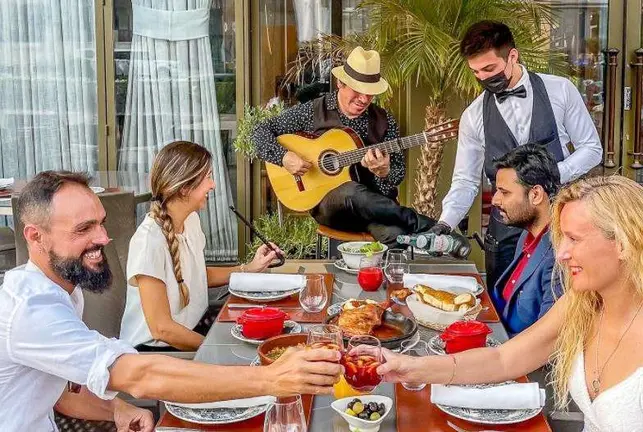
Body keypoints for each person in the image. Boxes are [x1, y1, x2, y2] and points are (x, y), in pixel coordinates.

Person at [0, 171, 342, 432]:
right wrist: (272, 379)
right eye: (84, 229)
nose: (104, 238)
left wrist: (116, 409)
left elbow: (60, 390)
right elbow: (138, 375)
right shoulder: (31, 309)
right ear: (35, 236)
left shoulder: (63, 289)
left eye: (101, 224)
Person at [376, 175, 643, 432]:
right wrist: (409, 368)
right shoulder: (582, 304)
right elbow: (503, 360)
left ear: (623, 244)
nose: (561, 254)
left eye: (574, 239)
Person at [429, 21, 602, 289]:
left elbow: (591, 149)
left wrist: (554, 173)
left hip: (558, 223)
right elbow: (465, 181)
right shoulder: (473, 116)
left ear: (513, 56)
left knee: (561, 304)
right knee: (500, 307)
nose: (484, 78)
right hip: (504, 229)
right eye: (476, 72)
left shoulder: (561, 90)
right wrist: (445, 223)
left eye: (490, 69)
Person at [252, 46, 439, 248]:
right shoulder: (313, 111)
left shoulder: (385, 121)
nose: (364, 99)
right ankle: (429, 225)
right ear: (341, 82)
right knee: (351, 191)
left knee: (399, 236)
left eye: (370, 93)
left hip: (376, 211)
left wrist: (384, 172)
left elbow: (396, 176)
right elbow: (259, 132)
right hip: (332, 209)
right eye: (358, 91)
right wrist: (284, 157)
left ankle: (424, 252)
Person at [120, 141, 279, 351]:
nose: (212, 185)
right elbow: (162, 329)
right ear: (185, 188)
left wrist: (250, 268)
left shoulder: (191, 221)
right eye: (208, 177)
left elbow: (195, 276)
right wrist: (217, 348)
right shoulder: (149, 241)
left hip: (194, 330)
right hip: (156, 352)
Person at [490, 144, 563, 335]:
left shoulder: (560, 254)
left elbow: (548, 340)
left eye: (504, 192)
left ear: (536, 194)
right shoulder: (527, 234)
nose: (495, 200)